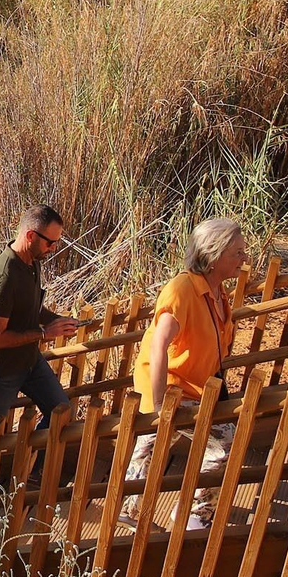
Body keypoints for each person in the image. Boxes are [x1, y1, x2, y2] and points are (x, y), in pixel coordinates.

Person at [121, 218, 250, 530]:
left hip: (196, 387)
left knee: (151, 447)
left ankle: (132, 509)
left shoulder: (216, 291)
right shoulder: (183, 289)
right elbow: (159, 345)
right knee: (222, 443)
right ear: (213, 254)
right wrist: (160, 403)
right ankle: (195, 514)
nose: (243, 259)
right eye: (237, 253)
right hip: (172, 388)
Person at [0, 205, 81, 442]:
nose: (53, 249)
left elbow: (32, 307)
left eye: (56, 243)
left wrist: (57, 321)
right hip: (0, 371)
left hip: (29, 361)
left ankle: (28, 470)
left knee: (61, 413)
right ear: (30, 235)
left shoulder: (32, 261)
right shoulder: (3, 276)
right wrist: (44, 333)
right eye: (50, 243)